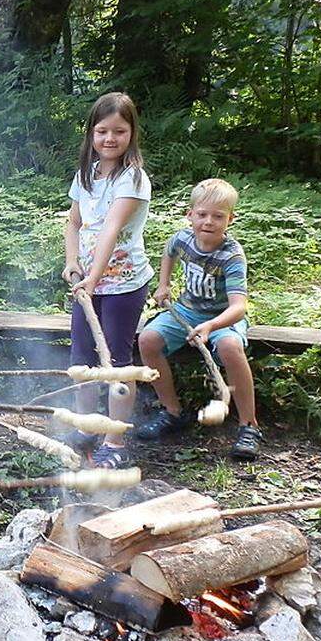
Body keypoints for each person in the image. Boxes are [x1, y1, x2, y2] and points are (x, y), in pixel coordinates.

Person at [135, 178, 263, 460]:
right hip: (186, 310)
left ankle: (248, 426)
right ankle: (172, 412)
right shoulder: (183, 239)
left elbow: (238, 307)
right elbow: (169, 251)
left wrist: (211, 326)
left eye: (218, 216)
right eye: (202, 214)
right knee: (148, 340)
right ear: (189, 215)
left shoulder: (231, 256)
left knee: (230, 347)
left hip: (221, 317)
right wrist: (164, 284)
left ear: (230, 219)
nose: (209, 222)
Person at [62, 92, 153, 470]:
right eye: (102, 131)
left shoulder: (132, 178)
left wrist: (94, 278)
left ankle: (114, 440)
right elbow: (74, 222)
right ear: (91, 134)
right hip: (88, 286)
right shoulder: (86, 175)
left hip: (123, 286)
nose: (110, 138)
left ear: (132, 134)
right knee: (81, 357)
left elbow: (112, 230)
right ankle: (87, 426)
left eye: (119, 130)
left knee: (117, 362)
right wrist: (72, 264)